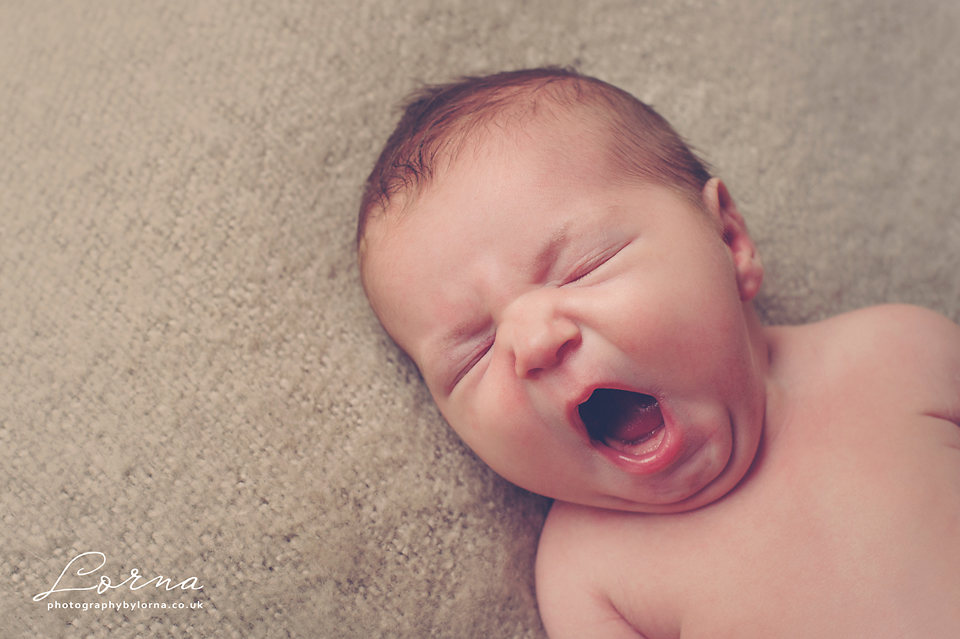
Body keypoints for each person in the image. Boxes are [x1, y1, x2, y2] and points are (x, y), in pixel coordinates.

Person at [357, 67, 960, 637]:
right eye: (473, 355)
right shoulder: (590, 574)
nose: (533, 343)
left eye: (583, 268)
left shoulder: (901, 354)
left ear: (728, 240)